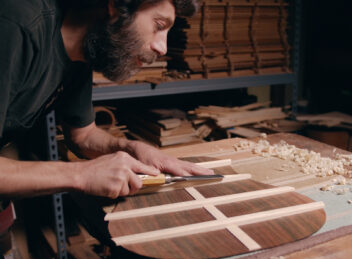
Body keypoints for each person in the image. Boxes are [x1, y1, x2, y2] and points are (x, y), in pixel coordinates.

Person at [0, 0, 213, 200]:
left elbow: (83, 135)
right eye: (159, 25)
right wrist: (81, 174)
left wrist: (132, 149)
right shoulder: (15, 24)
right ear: (116, 5)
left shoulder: (81, 54)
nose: (162, 47)